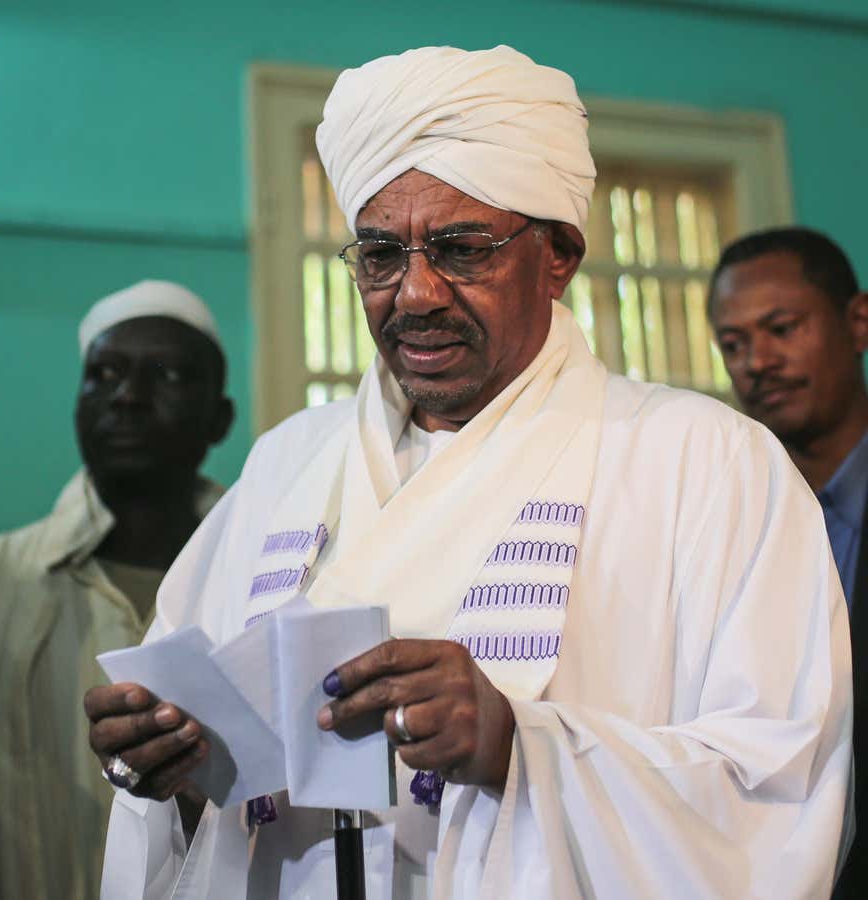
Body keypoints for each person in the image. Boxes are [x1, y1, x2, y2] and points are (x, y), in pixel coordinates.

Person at [87, 46, 850, 899]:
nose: (415, 294)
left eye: (460, 249)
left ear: (558, 254)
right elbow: (196, 765)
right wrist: (165, 767)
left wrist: (518, 747)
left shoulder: (704, 464)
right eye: (379, 255)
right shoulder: (287, 465)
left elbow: (776, 792)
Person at [0, 280, 234, 900]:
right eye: (104, 374)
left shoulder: (268, 578)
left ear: (219, 417)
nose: (128, 397)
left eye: (164, 374)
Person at [707, 226, 867, 893]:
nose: (757, 362)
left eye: (782, 328)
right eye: (734, 344)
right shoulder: (724, 518)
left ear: (858, 323)